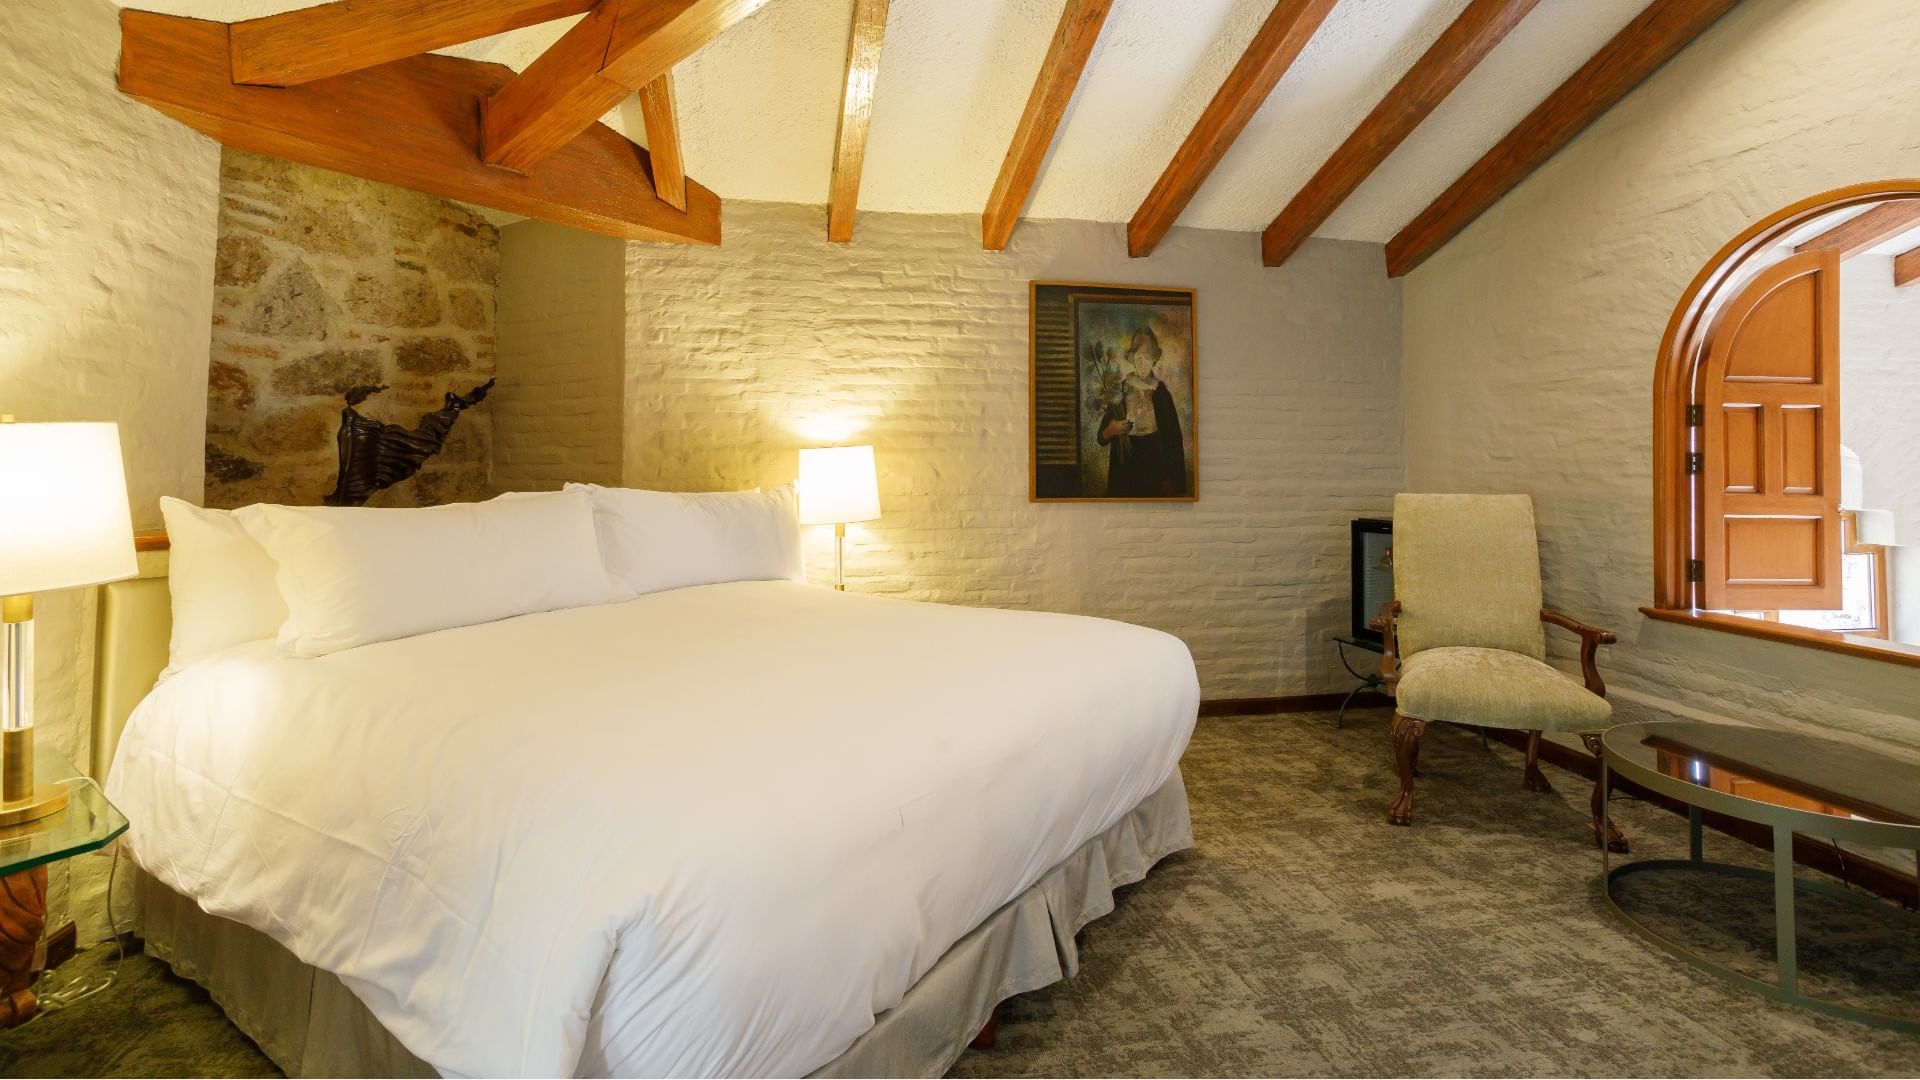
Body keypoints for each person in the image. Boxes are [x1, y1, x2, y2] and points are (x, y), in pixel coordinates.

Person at [1096, 326, 1187, 497]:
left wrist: (1172, 480)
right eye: (1138, 357)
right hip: (1125, 469)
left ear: (1154, 360)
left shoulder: (1161, 393)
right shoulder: (1120, 390)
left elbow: (1173, 440)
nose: (1142, 363)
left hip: (1155, 467)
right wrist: (1112, 430)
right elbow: (1101, 437)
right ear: (1132, 358)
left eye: (1147, 357)